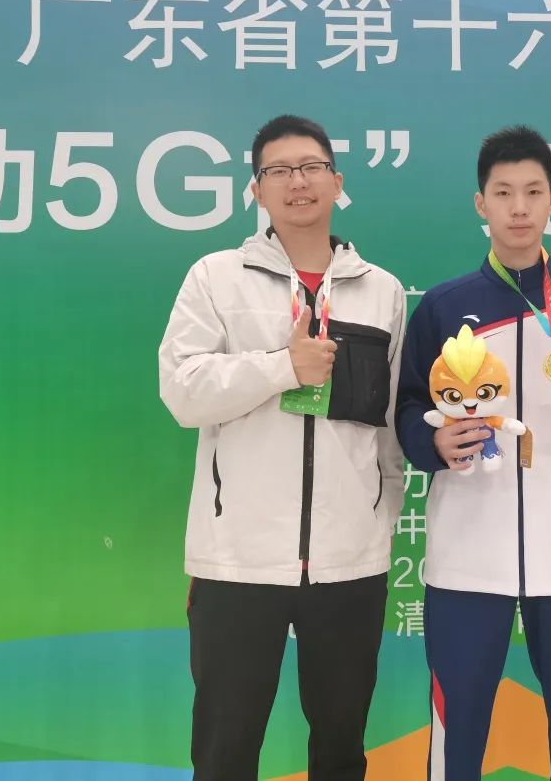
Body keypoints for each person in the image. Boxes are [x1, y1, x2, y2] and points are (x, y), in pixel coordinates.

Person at [158, 114, 405, 781]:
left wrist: (377, 520)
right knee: (225, 750)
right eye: (279, 171)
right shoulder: (216, 277)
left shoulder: (380, 289)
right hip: (238, 562)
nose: (298, 182)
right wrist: (282, 368)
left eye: (312, 167)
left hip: (350, 561)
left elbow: (386, 421)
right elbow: (182, 392)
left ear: (337, 182)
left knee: (341, 749)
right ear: (257, 190)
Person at [395, 125, 551, 781]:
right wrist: (432, 440)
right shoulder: (445, 306)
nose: (519, 207)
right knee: (458, 725)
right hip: (467, 552)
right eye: (503, 193)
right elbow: (407, 406)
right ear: (481, 203)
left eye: (533, 191)